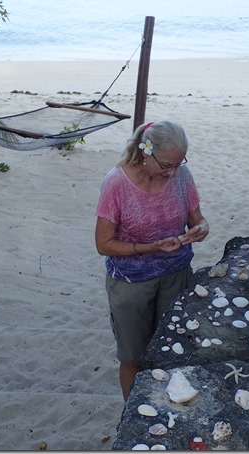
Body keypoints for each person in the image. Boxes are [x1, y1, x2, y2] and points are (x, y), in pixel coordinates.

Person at [94, 120, 209, 401]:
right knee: (133, 357)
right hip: (131, 283)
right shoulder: (117, 183)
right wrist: (149, 248)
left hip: (177, 274)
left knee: (173, 350)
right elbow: (103, 244)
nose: (173, 173)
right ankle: (134, 412)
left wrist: (201, 229)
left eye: (179, 164)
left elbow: (198, 219)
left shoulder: (181, 175)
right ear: (147, 151)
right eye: (167, 165)